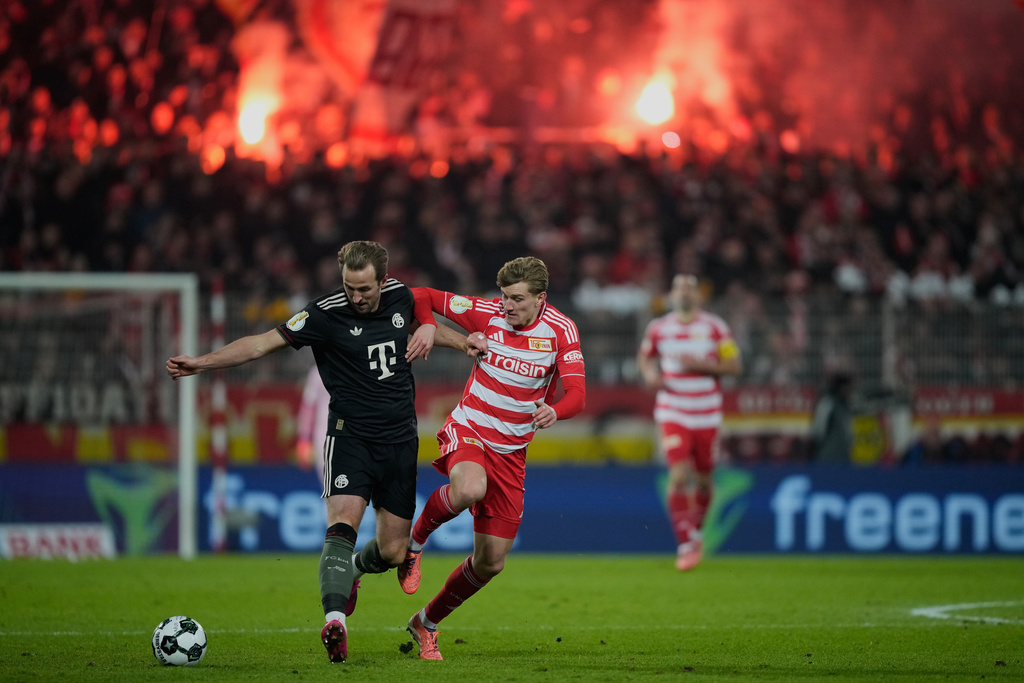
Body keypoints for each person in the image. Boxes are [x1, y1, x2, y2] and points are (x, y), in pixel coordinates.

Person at [166, 241, 476, 664]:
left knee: (391, 551)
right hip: (348, 437)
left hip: (400, 441)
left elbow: (427, 324)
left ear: (383, 281)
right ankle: (335, 621)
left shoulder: (402, 296)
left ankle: (353, 574)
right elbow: (260, 344)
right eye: (350, 287)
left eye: (365, 288)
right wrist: (201, 363)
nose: (357, 296)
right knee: (342, 524)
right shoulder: (323, 313)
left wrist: (460, 343)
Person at [398, 256, 587, 661]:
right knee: (468, 488)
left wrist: (557, 410)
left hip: (511, 452)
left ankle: (425, 623)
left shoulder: (561, 331)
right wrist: (429, 324)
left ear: (541, 299)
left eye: (517, 299)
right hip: (469, 429)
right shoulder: (485, 313)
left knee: (491, 563)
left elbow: (576, 394)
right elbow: (420, 295)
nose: (507, 306)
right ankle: (414, 544)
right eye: (504, 297)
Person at [637, 274, 742, 571]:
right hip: (674, 410)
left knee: (705, 479)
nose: (683, 293)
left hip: (707, 412)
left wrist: (701, 365)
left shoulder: (715, 327)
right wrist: (650, 376)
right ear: (671, 295)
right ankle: (685, 544)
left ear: (699, 296)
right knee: (679, 475)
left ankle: (694, 535)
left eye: (689, 289)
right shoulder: (659, 328)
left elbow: (735, 366)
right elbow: (645, 358)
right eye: (678, 288)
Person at [809, 372, 855, 464]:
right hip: (827, 457)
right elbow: (818, 429)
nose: (851, 391)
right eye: (849, 387)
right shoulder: (827, 403)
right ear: (842, 387)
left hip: (843, 457)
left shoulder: (846, 406)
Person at [296, 364, 330, 481]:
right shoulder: (317, 372)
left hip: (351, 431)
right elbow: (308, 407)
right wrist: (304, 439)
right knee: (327, 481)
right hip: (324, 432)